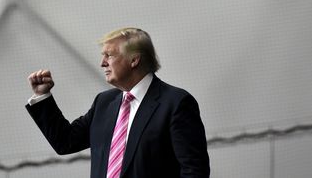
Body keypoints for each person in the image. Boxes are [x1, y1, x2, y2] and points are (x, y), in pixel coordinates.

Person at [26, 27, 210, 178]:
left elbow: (194, 171)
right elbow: (65, 142)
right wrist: (43, 96)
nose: (102, 63)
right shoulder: (103, 103)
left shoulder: (175, 103)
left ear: (134, 59)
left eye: (109, 55)